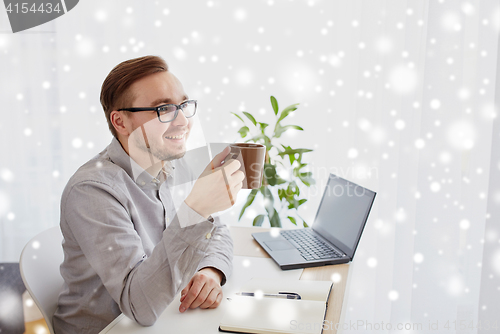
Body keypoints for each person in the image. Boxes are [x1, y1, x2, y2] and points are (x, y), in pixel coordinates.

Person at [53, 55, 244, 333]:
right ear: (121, 122)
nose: (182, 122)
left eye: (183, 106)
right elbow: (139, 307)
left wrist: (209, 272)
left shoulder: (171, 162)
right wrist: (195, 209)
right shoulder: (92, 190)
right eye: (164, 109)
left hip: (168, 318)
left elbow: (216, 232)